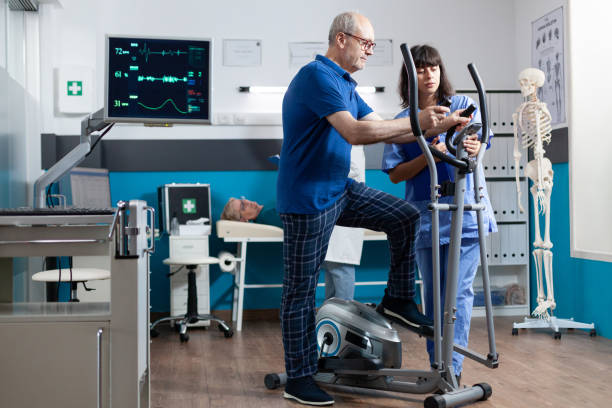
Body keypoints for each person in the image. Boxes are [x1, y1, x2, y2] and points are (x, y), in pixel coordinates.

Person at [277, 13, 470, 406]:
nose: (370, 50)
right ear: (342, 39)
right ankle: (298, 378)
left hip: (339, 189)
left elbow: (379, 123)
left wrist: (431, 126)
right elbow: (355, 132)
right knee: (300, 291)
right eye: (366, 43)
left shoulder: (346, 85)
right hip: (307, 199)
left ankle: (398, 299)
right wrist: (418, 124)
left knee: (405, 216)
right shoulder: (318, 77)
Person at [381, 44, 498, 382]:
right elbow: (396, 173)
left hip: (467, 213)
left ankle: (453, 371)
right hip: (428, 218)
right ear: (410, 77)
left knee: (458, 294)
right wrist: (431, 154)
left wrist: (472, 144)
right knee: (433, 298)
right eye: (420, 68)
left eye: (433, 67)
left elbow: (478, 138)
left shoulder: (462, 105)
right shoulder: (402, 123)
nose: (428, 74)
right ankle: (438, 366)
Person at [220, 146, 367, 302]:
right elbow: (298, 213)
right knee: (340, 269)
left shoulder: (268, 209)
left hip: (329, 214)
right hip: (327, 220)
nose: (248, 202)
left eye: (243, 199)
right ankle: (342, 319)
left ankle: (335, 318)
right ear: (244, 220)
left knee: (336, 271)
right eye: (243, 206)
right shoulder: (268, 215)